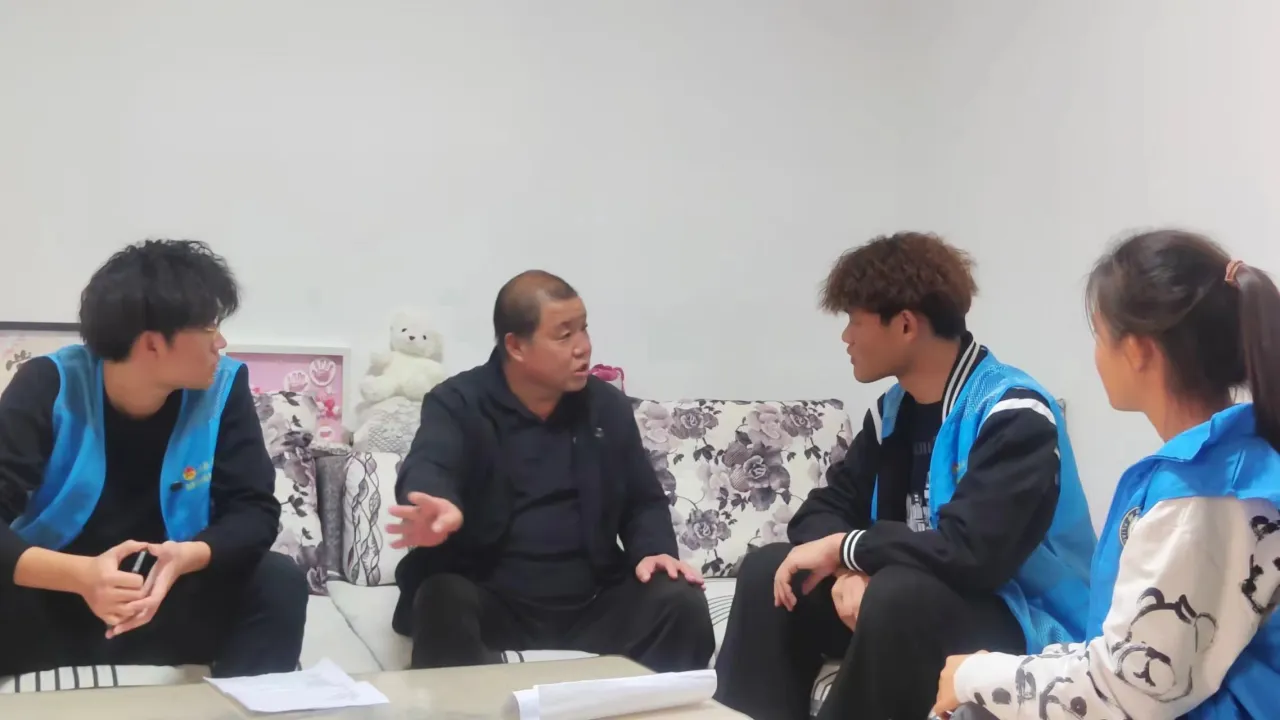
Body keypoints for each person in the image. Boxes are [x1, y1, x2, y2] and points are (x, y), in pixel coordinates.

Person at [714, 232, 1098, 720]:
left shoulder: (1013, 411)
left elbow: (973, 554)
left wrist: (846, 550)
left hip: (1024, 619)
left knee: (896, 593)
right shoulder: (892, 414)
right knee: (770, 570)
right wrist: (848, 569)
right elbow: (823, 511)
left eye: (854, 321)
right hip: (911, 604)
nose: (846, 338)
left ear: (905, 325)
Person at [933, 230, 1280, 720]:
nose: (1096, 356)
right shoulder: (1230, 466)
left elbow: (1126, 691)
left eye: (1099, 335)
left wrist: (975, 674)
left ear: (1138, 350)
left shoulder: (1203, 499)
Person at [0, 240, 306, 679]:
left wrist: (187, 556)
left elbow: (254, 510)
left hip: (165, 599)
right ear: (152, 344)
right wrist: (82, 576)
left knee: (276, 580)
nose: (221, 343)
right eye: (210, 328)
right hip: (56, 595)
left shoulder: (222, 388)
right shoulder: (49, 383)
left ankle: (244, 704)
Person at [388, 270, 714, 671]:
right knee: (441, 599)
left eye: (584, 329)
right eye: (564, 335)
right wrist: (435, 502)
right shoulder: (458, 402)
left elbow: (642, 501)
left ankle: (646, 704)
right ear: (516, 346)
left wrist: (654, 551)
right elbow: (431, 461)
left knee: (681, 602)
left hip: (593, 602)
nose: (583, 347)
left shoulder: (606, 407)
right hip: (491, 597)